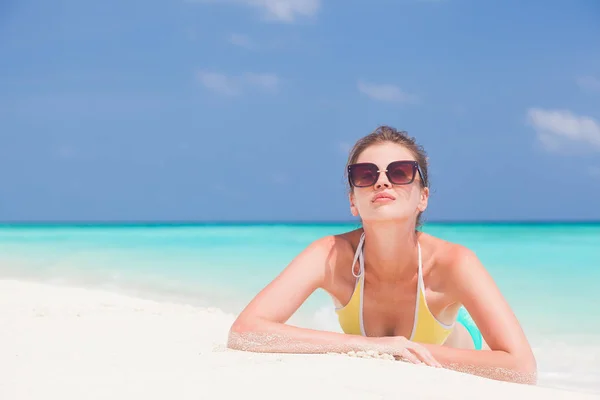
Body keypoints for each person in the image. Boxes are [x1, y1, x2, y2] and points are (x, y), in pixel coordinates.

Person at [227, 125, 537, 384]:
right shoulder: (331, 255)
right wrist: (371, 347)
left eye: (400, 172)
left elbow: (522, 368)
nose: (382, 181)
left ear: (423, 198)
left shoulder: (453, 263)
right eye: (365, 174)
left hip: (454, 337)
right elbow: (245, 332)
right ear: (353, 201)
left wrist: (406, 351)